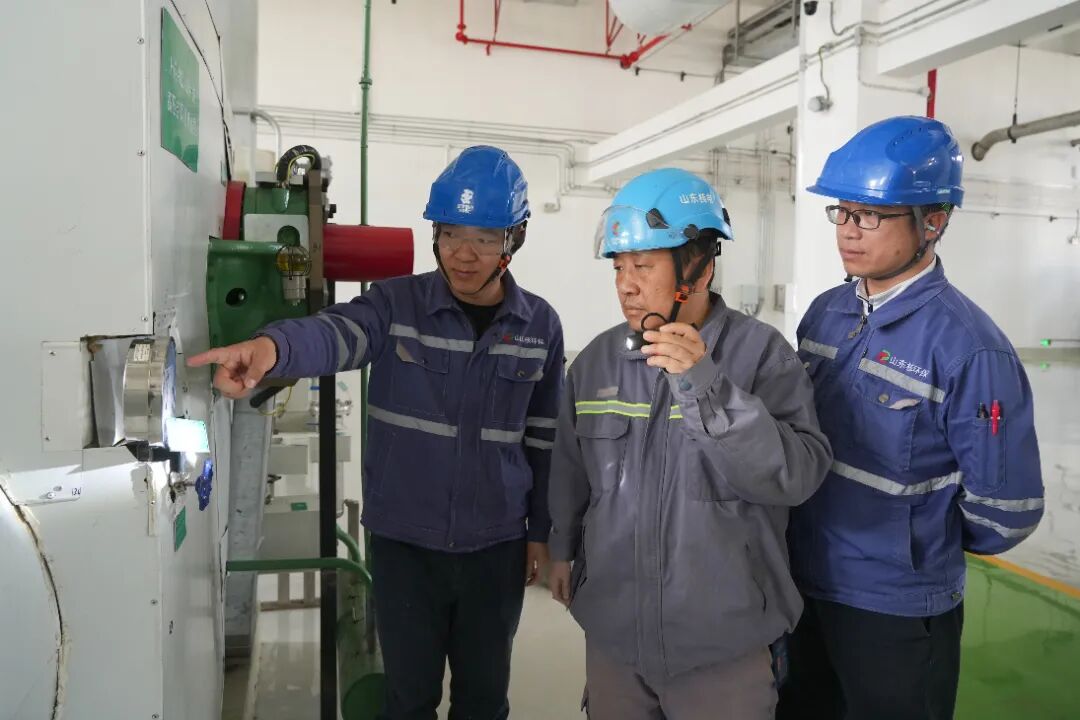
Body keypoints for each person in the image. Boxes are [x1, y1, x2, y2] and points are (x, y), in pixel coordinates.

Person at [189, 145, 564, 720]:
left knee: (485, 700)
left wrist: (540, 532)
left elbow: (542, 437)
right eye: (450, 234)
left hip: (496, 547)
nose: (463, 254)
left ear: (514, 239)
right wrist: (271, 348)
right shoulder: (395, 305)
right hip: (405, 545)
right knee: (407, 700)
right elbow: (337, 334)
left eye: (485, 238)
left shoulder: (539, 326)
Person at [777, 116, 1045, 720]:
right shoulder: (826, 313)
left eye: (871, 215)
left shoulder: (969, 349)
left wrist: (914, 544)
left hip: (894, 608)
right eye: (842, 212)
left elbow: (1006, 512)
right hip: (804, 582)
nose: (848, 230)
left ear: (934, 221)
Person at [546, 167, 832, 720]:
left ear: (698, 266)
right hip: (614, 636)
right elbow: (571, 468)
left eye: (643, 265)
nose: (625, 284)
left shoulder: (762, 356)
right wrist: (562, 548)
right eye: (618, 266)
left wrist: (707, 387)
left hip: (722, 646)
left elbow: (795, 476)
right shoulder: (597, 361)